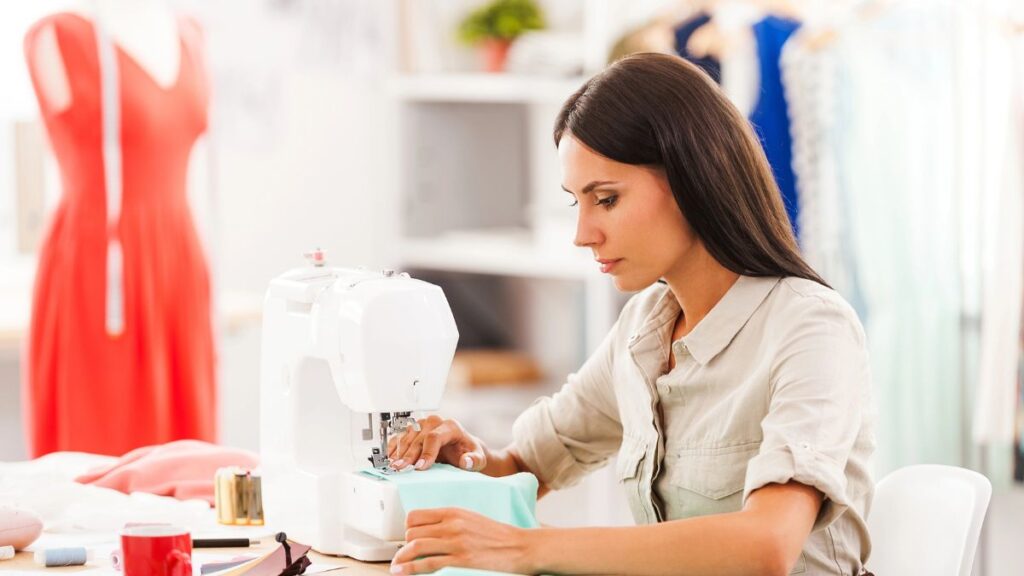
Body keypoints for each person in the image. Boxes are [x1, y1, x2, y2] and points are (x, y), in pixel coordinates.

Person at [387, 52, 875, 576]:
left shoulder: (810, 329)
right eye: (578, 202)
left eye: (607, 199)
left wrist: (527, 547)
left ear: (693, 180)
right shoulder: (645, 328)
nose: (583, 234)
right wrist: (470, 457)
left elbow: (766, 546)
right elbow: (528, 464)